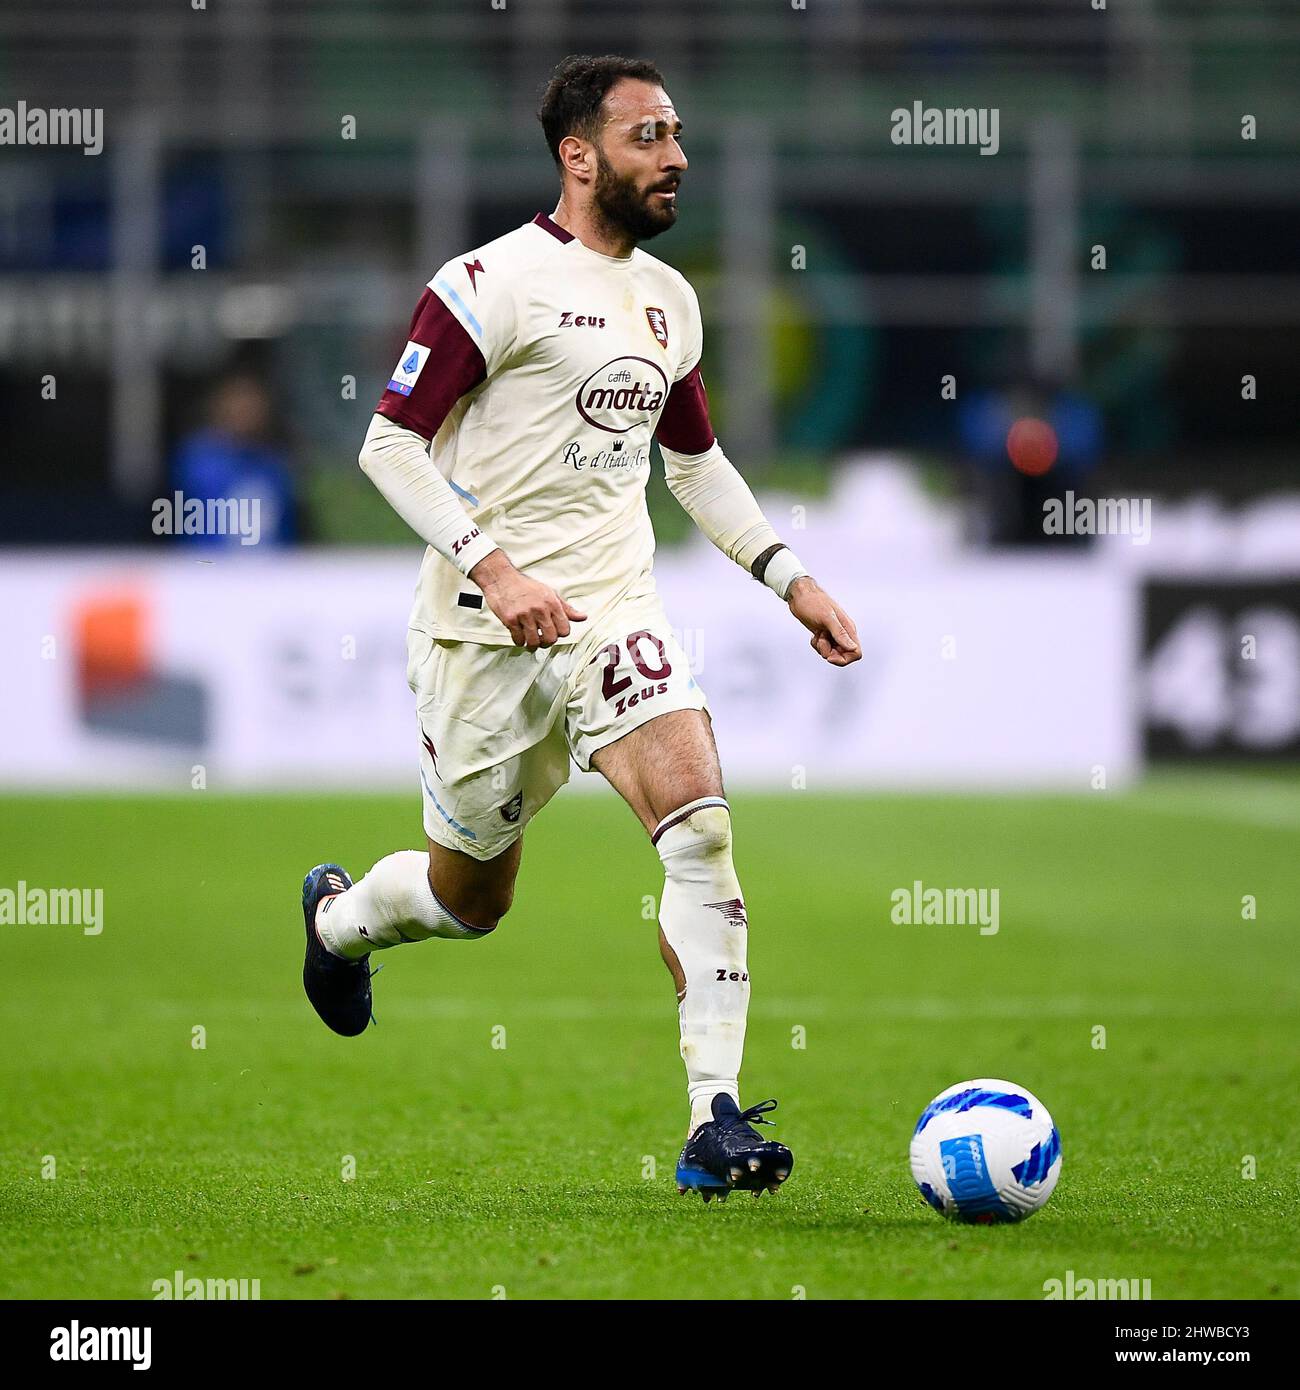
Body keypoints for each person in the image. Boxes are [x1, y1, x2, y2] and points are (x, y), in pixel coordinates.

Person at [299, 54, 860, 1201]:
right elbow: (387, 444)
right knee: (471, 902)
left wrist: (786, 573)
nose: (676, 156)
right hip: (480, 631)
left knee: (698, 821)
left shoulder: (671, 300)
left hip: (612, 615)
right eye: (648, 135)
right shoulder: (485, 282)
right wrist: (494, 568)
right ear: (578, 153)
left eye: (677, 133)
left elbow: (694, 465)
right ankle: (341, 919)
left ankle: (713, 1116)